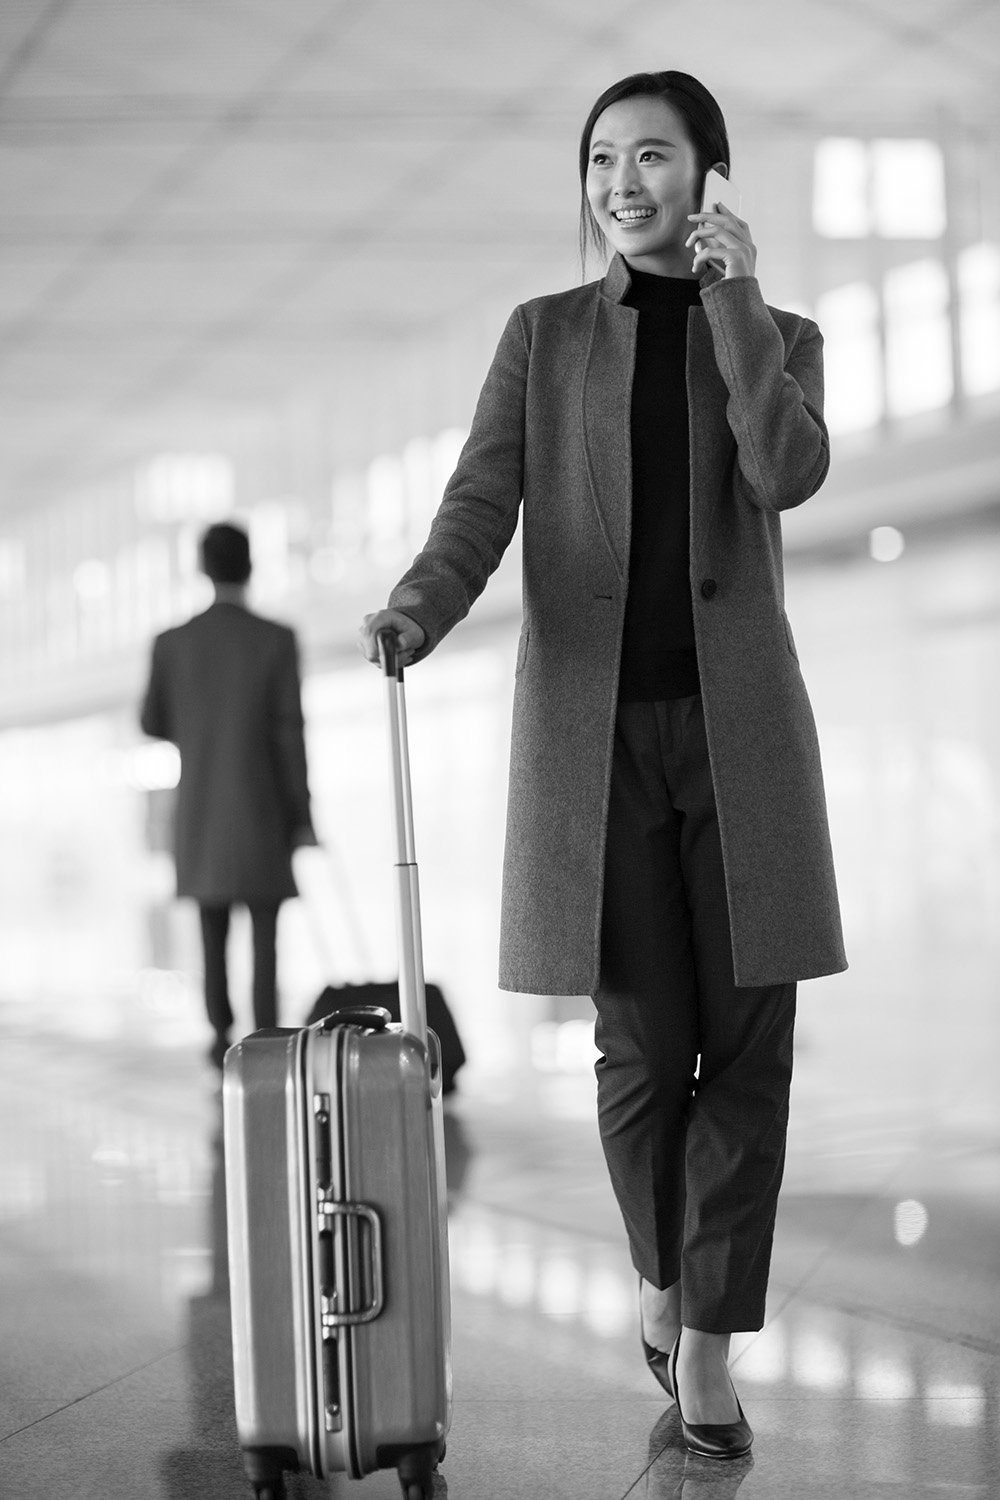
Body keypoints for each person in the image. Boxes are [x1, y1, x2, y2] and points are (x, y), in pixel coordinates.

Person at [358, 70, 847, 1460]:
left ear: (709, 177)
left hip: (744, 739)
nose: (619, 182)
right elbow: (479, 502)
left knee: (752, 1050)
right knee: (642, 1051)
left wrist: (739, 304)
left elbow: (784, 475)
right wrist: (417, 606)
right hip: (596, 743)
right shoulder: (545, 338)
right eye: (600, 160)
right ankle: (660, 1265)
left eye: (650, 157)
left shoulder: (786, 334)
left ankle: (703, 1340)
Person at [140, 521, 317, 1068]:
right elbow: (290, 732)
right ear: (250, 566)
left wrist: (198, 728)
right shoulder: (276, 639)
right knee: (267, 935)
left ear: (203, 568)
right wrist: (302, 814)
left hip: (200, 810)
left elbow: (151, 720)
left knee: (210, 928)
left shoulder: (172, 644)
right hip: (262, 806)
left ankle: (219, 1040)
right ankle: (266, 1041)